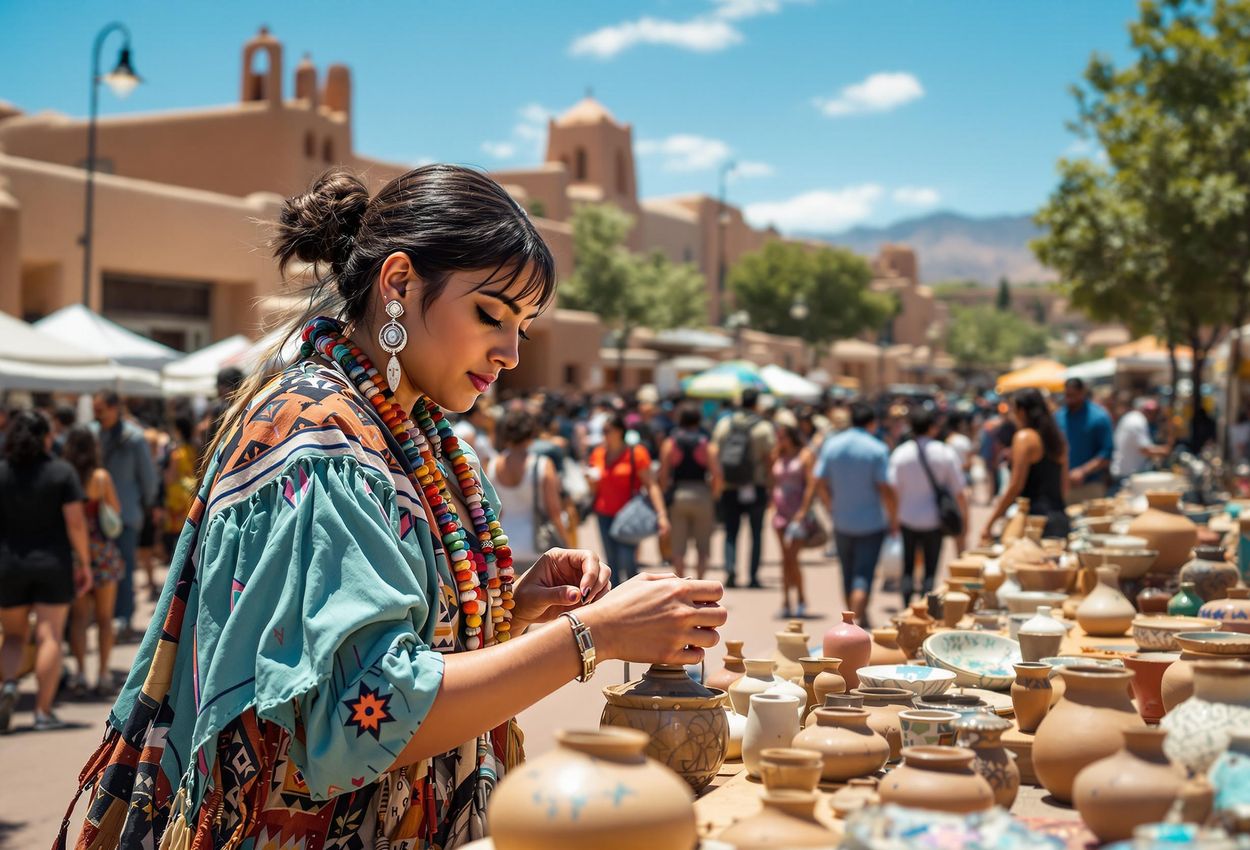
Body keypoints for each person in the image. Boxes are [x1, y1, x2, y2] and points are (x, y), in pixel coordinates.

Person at [61, 165, 723, 849]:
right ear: (399, 283)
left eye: (523, 326)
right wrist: (593, 637)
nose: (510, 352)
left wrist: (510, 609)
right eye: (491, 315)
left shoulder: (407, 429)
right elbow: (356, 717)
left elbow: (397, 649)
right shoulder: (319, 439)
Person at [0, 411, 92, 732]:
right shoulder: (61, 472)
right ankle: (42, 711)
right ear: (46, 438)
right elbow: (76, 523)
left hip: (9, 564)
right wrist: (84, 561)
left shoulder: (3, 472)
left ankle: (9, 684)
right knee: (49, 635)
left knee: (13, 636)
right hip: (53, 563)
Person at [800, 401, 896, 624]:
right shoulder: (877, 448)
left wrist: (829, 503)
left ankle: (852, 617)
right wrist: (894, 517)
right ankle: (854, 622)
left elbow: (818, 479)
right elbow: (885, 488)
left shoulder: (833, 445)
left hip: (842, 521)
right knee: (863, 576)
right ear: (872, 423)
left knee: (847, 574)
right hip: (871, 523)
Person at [63, 425, 125, 698]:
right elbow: (116, 511)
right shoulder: (101, 478)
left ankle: (78, 672)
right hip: (102, 552)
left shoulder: (65, 476)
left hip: (75, 553)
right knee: (104, 618)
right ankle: (102, 674)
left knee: (78, 618)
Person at [91, 392, 158, 640]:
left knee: (125, 569)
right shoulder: (93, 434)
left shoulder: (134, 438)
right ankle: (107, 620)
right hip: (95, 516)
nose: (97, 415)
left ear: (114, 408)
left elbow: (148, 479)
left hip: (125, 516)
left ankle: (123, 619)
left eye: (100, 410)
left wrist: (147, 505)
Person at [889, 407, 968, 606]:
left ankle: (906, 608)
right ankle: (926, 611)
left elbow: (892, 490)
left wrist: (893, 518)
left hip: (907, 518)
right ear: (932, 428)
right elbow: (959, 490)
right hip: (934, 520)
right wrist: (965, 519)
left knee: (907, 568)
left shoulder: (900, 453)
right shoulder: (944, 452)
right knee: (930, 571)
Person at [589, 413, 670, 585]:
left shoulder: (636, 453)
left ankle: (633, 598)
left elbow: (651, 485)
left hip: (628, 516)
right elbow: (595, 487)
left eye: (607, 430)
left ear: (619, 432)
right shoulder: (598, 453)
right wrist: (590, 481)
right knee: (611, 563)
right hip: (604, 513)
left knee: (628, 560)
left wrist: (661, 514)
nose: (604, 435)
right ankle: (616, 602)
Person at [983, 388, 1071, 540]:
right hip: (1059, 517)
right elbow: (1065, 486)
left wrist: (990, 523)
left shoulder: (1024, 438)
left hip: (1033, 522)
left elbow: (1015, 486)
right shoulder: (1057, 439)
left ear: (1022, 411)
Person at [710, 387, 776, 588]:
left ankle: (730, 570)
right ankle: (753, 575)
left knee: (731, 532)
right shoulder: (764, 427)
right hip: (756, 486)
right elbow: (770, 459)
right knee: (756, 533)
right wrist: (771, 487)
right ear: (756, 404)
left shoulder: (725, 424)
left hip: (730, 485)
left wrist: (718, 480)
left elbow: (713, 451)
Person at [489, 409, 568, 574]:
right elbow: (554, 511)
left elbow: (495, 510)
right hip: (536, 545)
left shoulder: (493, 465)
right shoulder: (542, 464)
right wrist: (566, 542)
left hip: (504, 544)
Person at [659, 403, 714, 579]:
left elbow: (663, 474)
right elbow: (717, 473)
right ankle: (700, 586)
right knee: (703, 546)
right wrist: (713, 492)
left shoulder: (671, 442)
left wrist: (665, 493)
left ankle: (683, 585)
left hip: (679, 494)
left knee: (678, 547)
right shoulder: (705, 443)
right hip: (702, 493)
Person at [771, 424, 816, 618]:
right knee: (784, 559)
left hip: (797, 512)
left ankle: (801, 598)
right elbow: (772, 480)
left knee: (793, 558)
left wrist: (804, 510)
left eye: (783, 437)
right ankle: (785, 601)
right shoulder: (777, 455)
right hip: (780, 512)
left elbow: (811, 484)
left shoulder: (805, 455)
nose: (780, 440)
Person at [1056, 377, 1114, 504]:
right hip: (1064, 486)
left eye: (1073, 395)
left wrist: (1083, 471)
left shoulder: (1099, 417)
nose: (1069, 399)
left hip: (1091, 486)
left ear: (1082, 392)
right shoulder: (1058, 417)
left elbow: (1107, 453)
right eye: (1067, 395)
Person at [162, 414, 199, 569]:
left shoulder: (177, 453)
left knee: (177, 536)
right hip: (193, 492)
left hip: (177, 497)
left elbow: (171, 477)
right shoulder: (195, 448)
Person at [1111, 397, 1168, 490]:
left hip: (1125, 472)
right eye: (1149, 411)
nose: (1152, 415)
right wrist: (1165, 451)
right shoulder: (1137, 421)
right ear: (1143, 409)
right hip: (1127, 475)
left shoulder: (1131, 417)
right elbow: (1146, 450)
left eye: (1154, 412)